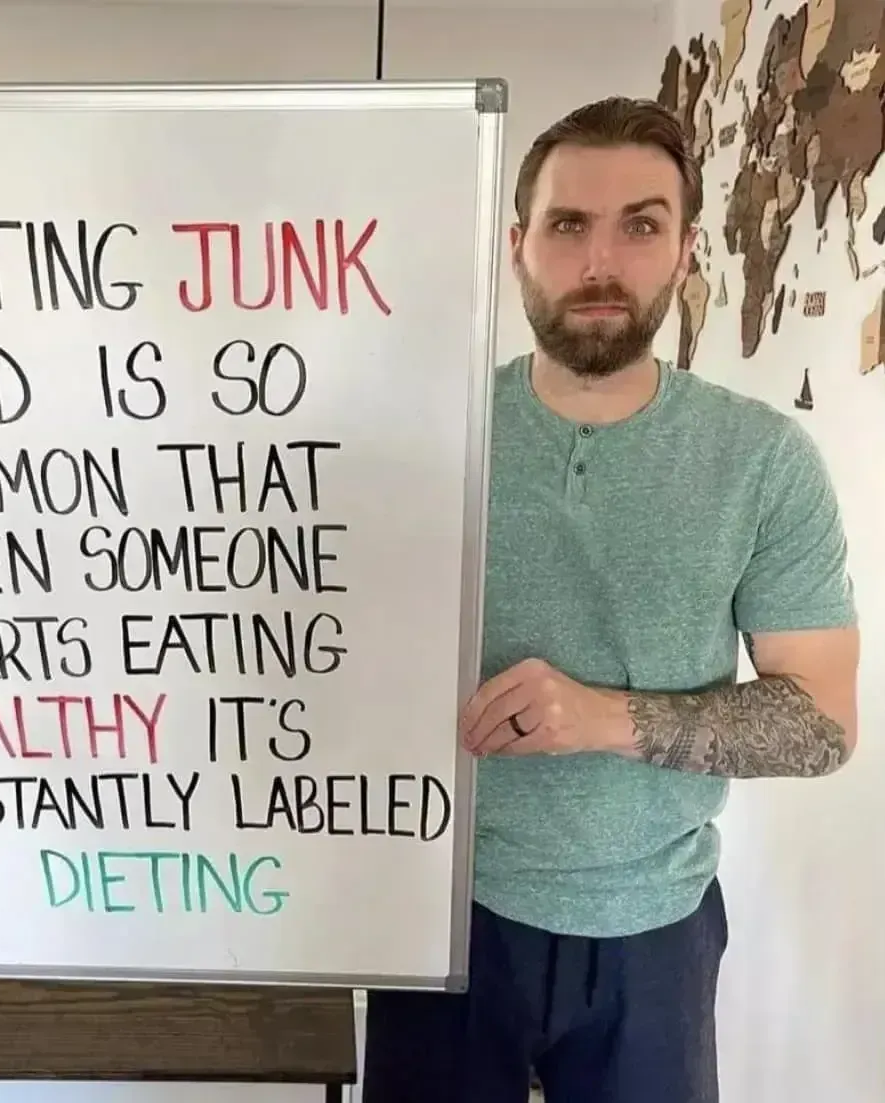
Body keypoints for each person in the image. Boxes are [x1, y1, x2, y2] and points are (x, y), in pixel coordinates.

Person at [359, 97, 860, 1102]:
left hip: (655, 931)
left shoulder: (763, 461)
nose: (601, 261)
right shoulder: (419, 436)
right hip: (441, 909)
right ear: (515, 248)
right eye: (566, 225)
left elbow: (822, 721)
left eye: (639, 224)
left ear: (683, 253)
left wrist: (603, 716)